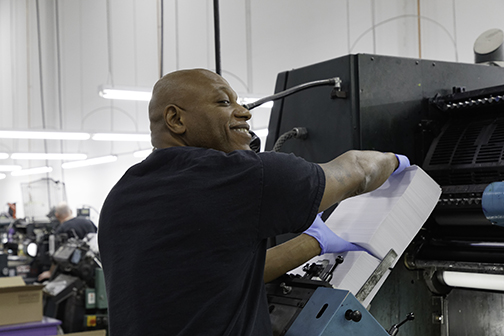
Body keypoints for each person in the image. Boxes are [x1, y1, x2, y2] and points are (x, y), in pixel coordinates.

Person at [98, 68, 408, 336]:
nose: (245, 111)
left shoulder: (123, 195)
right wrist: (399, 161)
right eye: (224, 102)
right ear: (176, 119)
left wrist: (314, 243)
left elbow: (223, 275)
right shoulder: (237, 179)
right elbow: (358, 171)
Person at [37, 202, 97, 281]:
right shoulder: (88, 222)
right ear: (71, 211)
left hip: (74, 274)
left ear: (57, 215)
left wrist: (50, 272)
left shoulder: (61, 230)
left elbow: (56, 256)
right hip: (94, 271)